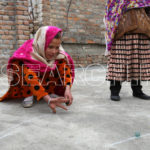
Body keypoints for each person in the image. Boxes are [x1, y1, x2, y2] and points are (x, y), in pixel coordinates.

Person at [0, 26, 75, 113]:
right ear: (42, 43)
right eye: (50, 47)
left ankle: (48, 90)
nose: (54, 51)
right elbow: (30, 76)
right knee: (19, 65)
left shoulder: (58, 53)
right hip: (28, 84)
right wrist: (48, 99)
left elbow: (65, 70)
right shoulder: (28, 51)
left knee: (62, 60)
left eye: (57, 47)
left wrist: (67, 89)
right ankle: (29, 93)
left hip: (46, 82)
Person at [104, 0, 150, 101]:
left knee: (138, 63)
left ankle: (137, 90)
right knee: (118, 62)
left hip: (141, 30)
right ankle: (114, 91)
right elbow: (111, 11)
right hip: (122, 31)